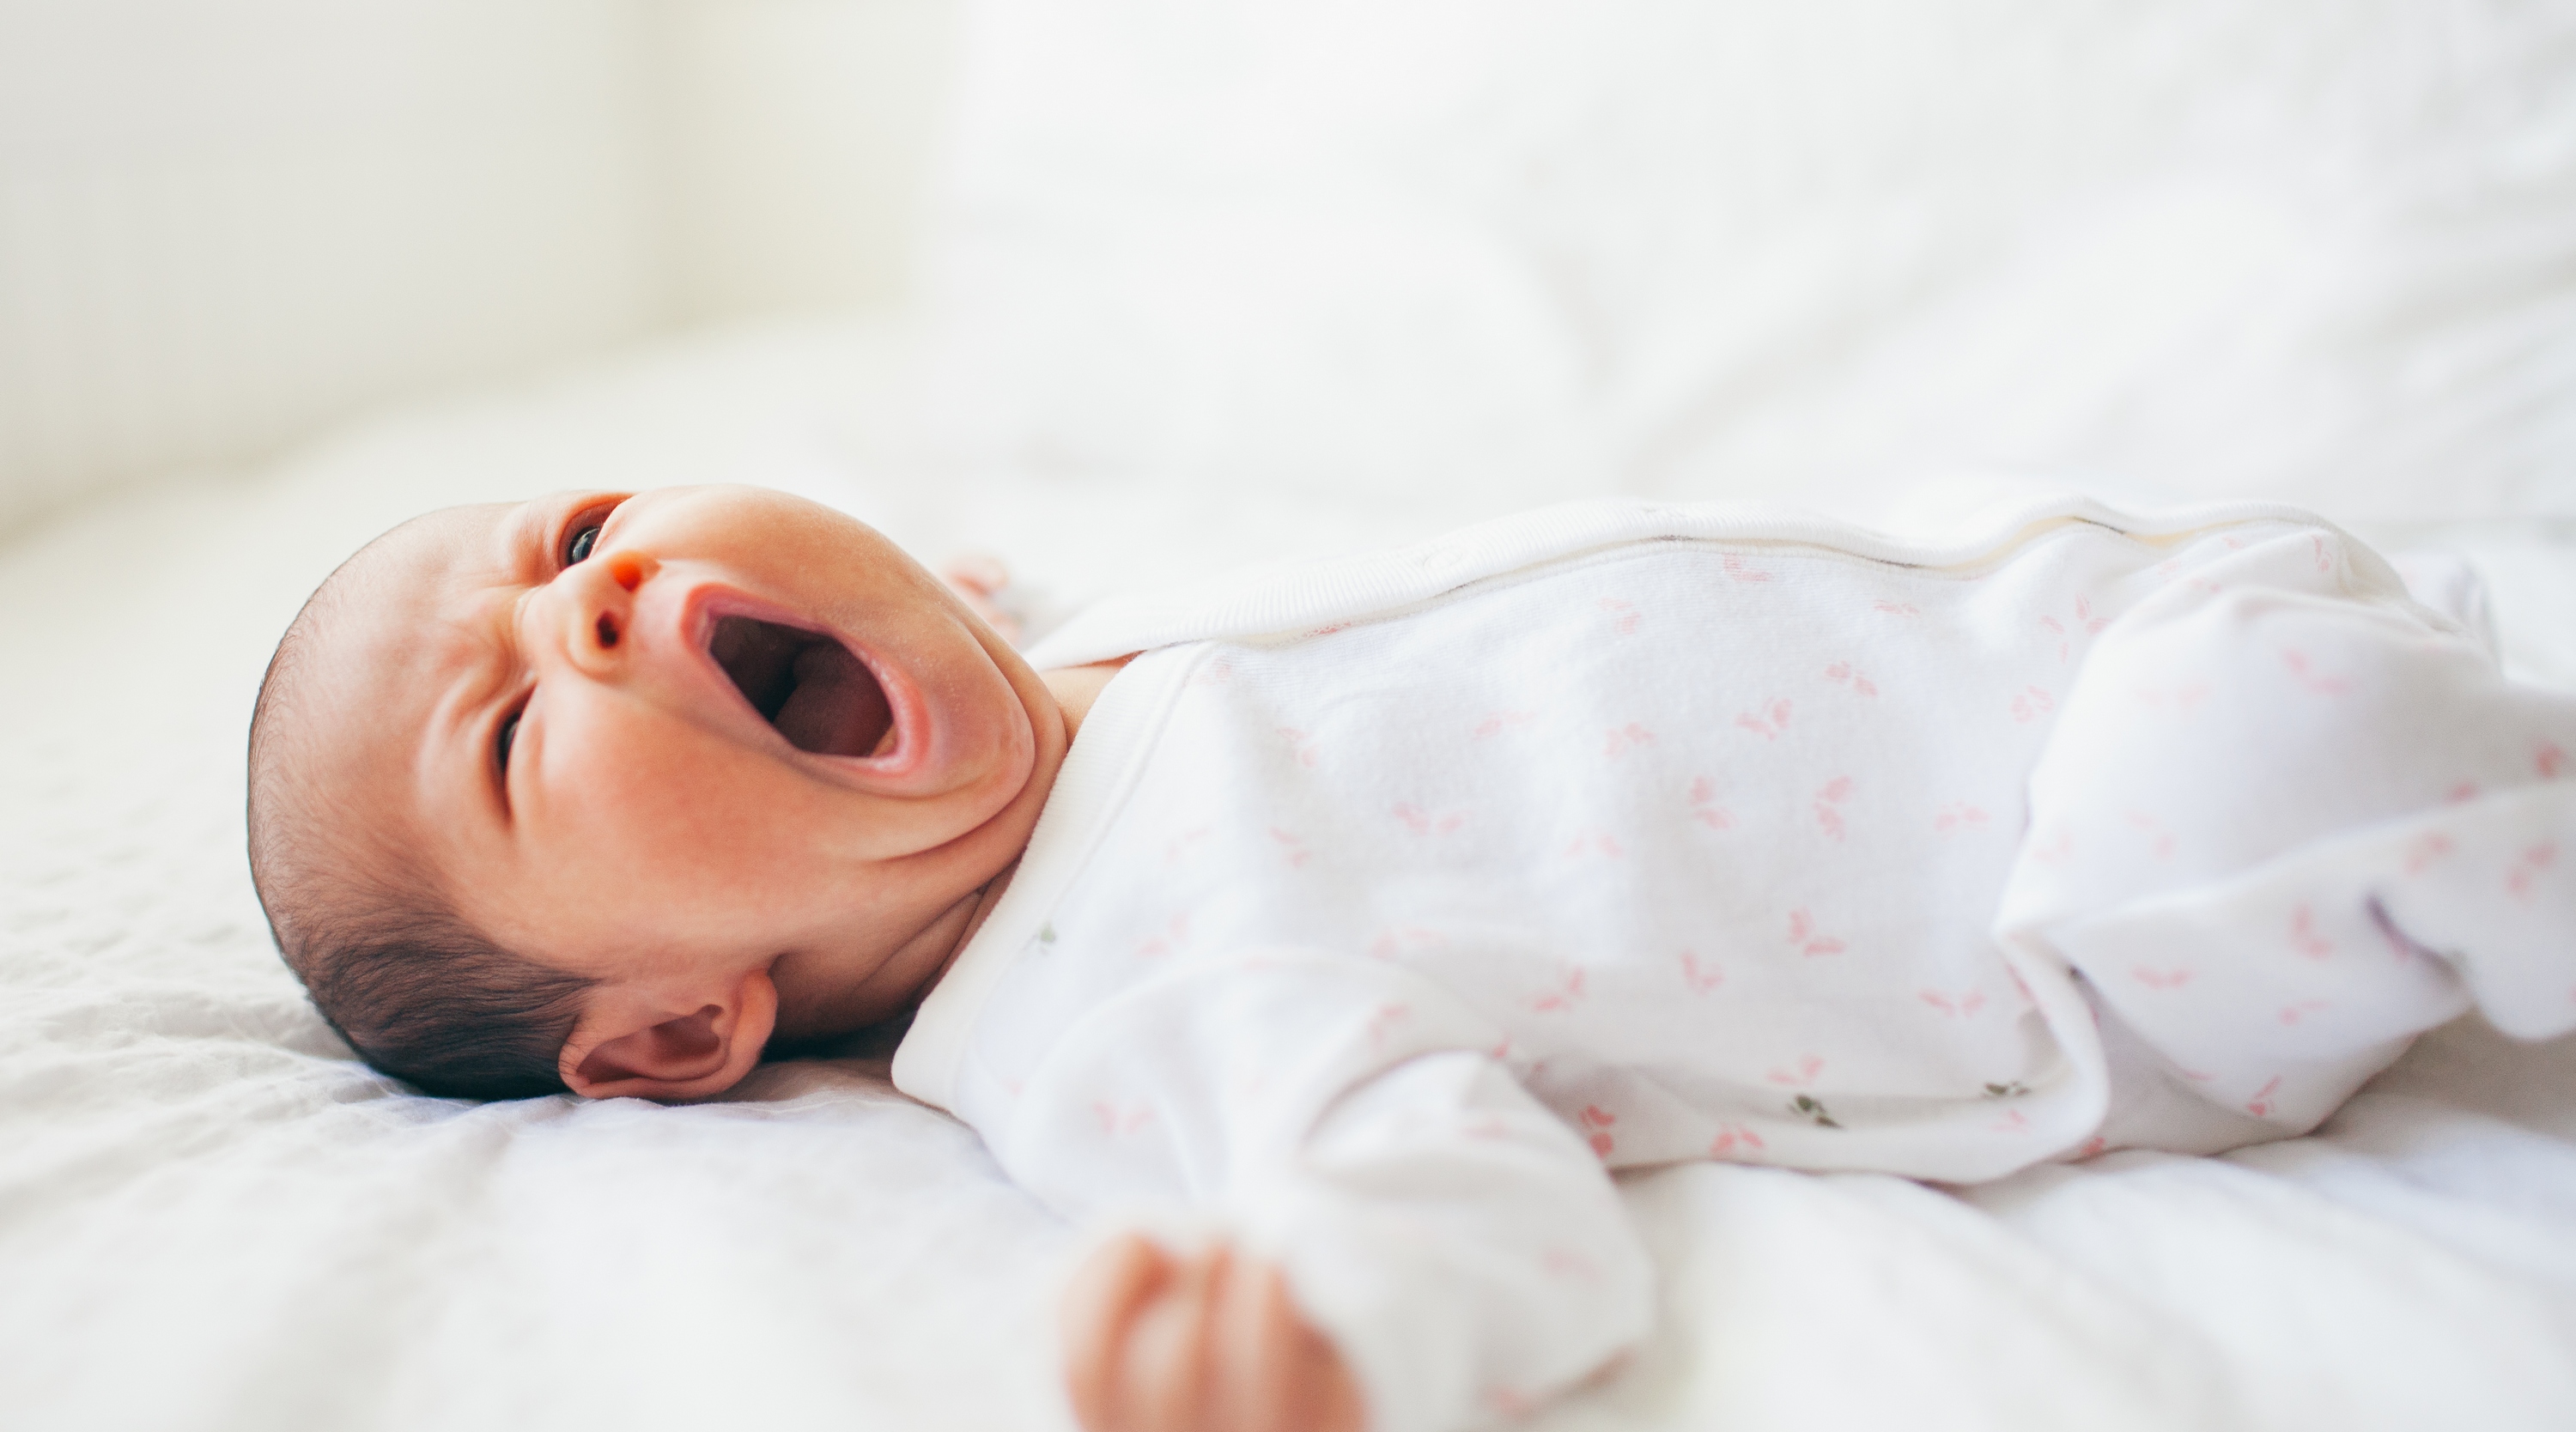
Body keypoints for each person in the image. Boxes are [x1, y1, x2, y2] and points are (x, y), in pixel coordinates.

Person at [246, 483, 2576, 1432]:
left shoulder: (1093, 645)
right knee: (2324, 735)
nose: (595, 600)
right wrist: (1339, 1329)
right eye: (516, 731)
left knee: (2346, 700)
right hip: (2115, 905)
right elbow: (1442, 1196)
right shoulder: (1118, 994)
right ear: (678, 1027)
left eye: (580, 529)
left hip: (2106, 626)